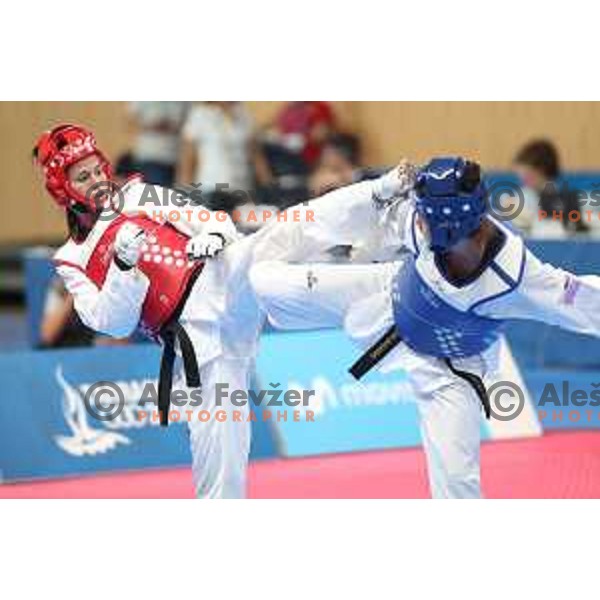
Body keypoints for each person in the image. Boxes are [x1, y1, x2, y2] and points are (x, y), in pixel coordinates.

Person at [33, 123, 407, 499]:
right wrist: (122, 269)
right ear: (63, 191)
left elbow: (212, 221)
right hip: (194, 337)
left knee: (284, 232)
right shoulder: (72, 259)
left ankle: (378, 196)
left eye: (99, 169)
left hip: (222, 273)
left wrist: (212, 236)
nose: (97, 180)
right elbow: (111, 323)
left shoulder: (138, 193)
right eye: (83, 177)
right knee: (219, 447)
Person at [250, 157, 600, 498]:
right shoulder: (419, 219)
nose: (414, 220)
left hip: (452, 366)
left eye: (423, 218)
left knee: (456, 482)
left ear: (451, 227)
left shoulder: (517, 277)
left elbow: (584, 299)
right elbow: (369, 218)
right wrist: (370, 233)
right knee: (265, 281)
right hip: (390, 295)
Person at [178, 102, 272, 195]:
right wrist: (185, 190)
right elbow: (187, 157)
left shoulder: (243, 114)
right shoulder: (199, 115)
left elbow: (256, 155)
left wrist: (268, 186)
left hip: (241, 188)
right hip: (210, 188)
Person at [513, 139, 589, 236]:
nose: (523, 180)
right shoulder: (523, 198)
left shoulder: (574, 200)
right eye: (521, 176)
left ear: (540, 170)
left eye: (527, 175)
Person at [128, 102, 189, 187]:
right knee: (155, 196)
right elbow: (130, 122)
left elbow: (189, 124)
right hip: (149, 156)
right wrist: (153, 126)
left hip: (172, 158)